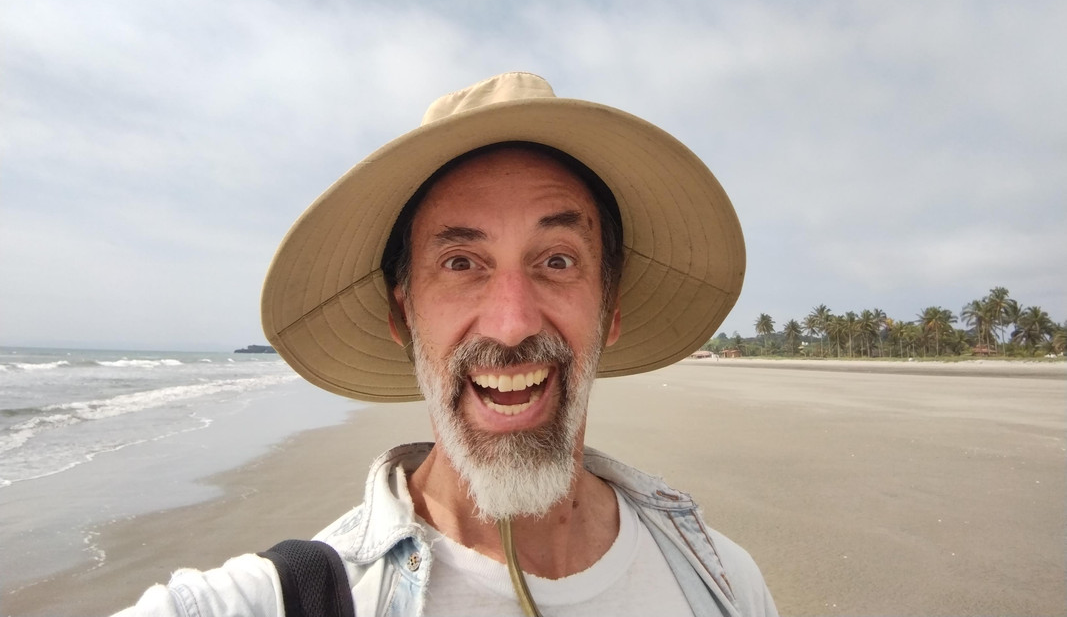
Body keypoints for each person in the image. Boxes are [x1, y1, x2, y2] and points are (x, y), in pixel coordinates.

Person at [116, 72, 777, 616]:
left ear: (609, 311)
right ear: (403, 319)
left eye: (556, 260)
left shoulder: (720, 582)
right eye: (461, 263)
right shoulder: (298, 598)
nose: (511, 324)